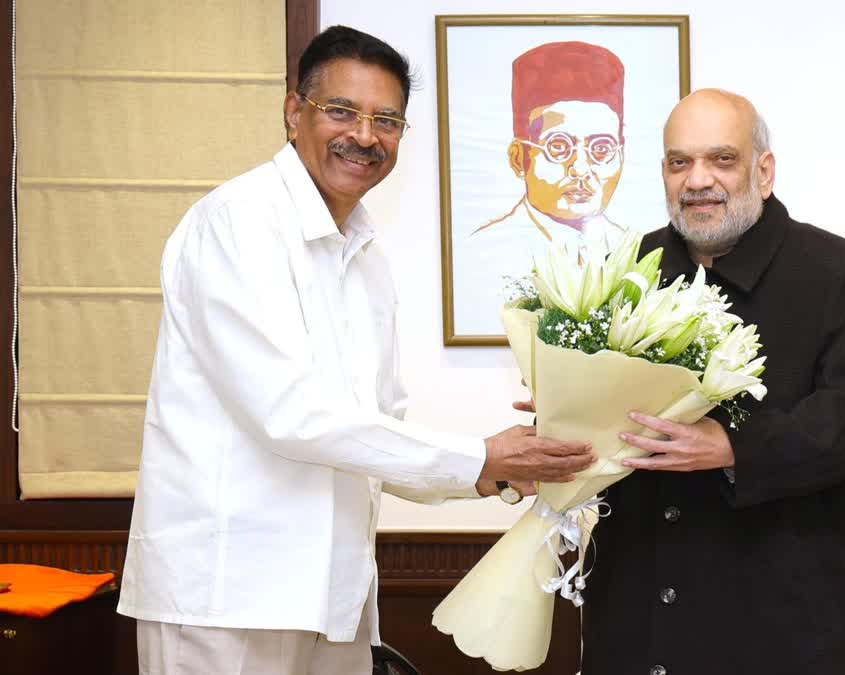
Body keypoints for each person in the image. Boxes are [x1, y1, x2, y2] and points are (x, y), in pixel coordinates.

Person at [116, 26, 593, 675]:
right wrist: (480, 456)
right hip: (224, 595)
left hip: (335, 600)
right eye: (341, 111)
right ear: (294, 113)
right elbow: (289, 412)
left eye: (386, 120)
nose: (365, 136)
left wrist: (501, 470)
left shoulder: (366, 260)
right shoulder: (235, 223)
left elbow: (380, 433)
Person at [580, 89, 845, 675]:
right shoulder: (625, 271)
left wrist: (733, 447)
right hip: (637, 620)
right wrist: (562, 413)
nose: (698, 179)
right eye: (680, 163)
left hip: (783, 628)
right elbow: (600, 416)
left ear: (764, 169)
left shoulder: (836, 273)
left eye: (721, 159)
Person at [471, 40, 628, 256]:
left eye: (601, 149)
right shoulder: (485, 250)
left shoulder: (635, 250)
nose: (580, 169)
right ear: (519, 159)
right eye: (559, 147)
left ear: (621, 154)